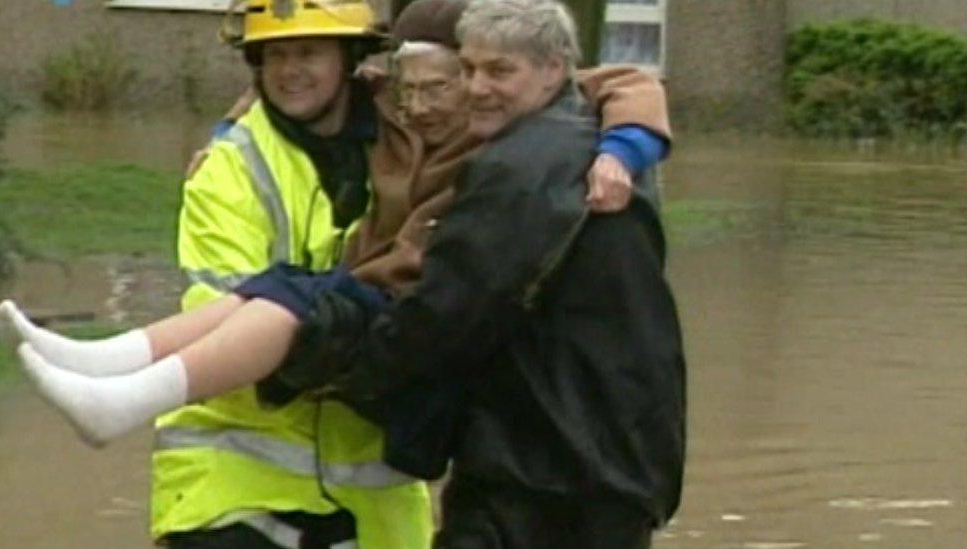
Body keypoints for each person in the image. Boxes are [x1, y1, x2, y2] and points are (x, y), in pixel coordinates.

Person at [0, 1, 673, 547]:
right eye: (277, 56)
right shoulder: (366, 114)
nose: (461, 92)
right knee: (272, 292)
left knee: (288, 294)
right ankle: (111, 363)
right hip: (248, 482)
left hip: (394, 397)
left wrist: (626, 144)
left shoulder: (516, 139)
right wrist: (239, 114)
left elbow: (622, 83)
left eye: (310, 53)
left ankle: (120, 388)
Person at [271, 0, 687, 546]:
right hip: (616, 454)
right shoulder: (594, 137)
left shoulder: (523, 165)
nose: (477, 87)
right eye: (467, 69)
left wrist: (322, 366)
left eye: (500, 72)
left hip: (546, 466)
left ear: (554, 71)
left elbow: (448, 311)